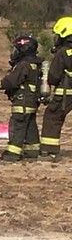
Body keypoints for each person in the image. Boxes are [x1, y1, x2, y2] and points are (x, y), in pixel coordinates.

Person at [0, 36, 43, 162]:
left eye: (17, 49)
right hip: (31, 101)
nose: (14, 53)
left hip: (22, 101)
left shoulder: (23, 65)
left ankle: (12, 154)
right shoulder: (34, 64)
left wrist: (2, 84)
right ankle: (32, 151)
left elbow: (12, 81)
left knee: (18, 125)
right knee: (30, 126)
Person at [40, 17, 72, 161]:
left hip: (65, 93)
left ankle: (49, 151)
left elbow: (53, 76)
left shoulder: (63, 53)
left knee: (52, 118)